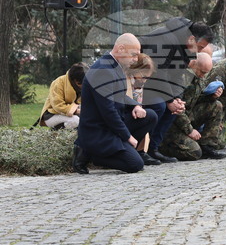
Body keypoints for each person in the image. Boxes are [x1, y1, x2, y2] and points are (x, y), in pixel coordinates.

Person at [72, 33, 158, 175]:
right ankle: (92, 154)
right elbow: (108, 111)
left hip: (109, 125)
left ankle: (120, 150)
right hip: (98, 131)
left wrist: (135, 105)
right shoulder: (103, 70)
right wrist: (127, 137)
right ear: (120, 49)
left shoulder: (114, 65)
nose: (135, 59)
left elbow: (119, 96)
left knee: (150, 116)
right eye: (133, 55)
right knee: (135, 164)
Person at [139, 17, 214, 164]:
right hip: (141, 82)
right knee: (159, 106)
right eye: (199, 47)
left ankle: (153, 148)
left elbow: (178, 76)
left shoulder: (187, 47)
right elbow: (158, 73)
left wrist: (177, 99)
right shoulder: (165, 39)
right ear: (192, 39)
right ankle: (141, 150)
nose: (199, 51)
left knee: (175, 109)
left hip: (156, 84)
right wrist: (169, 100)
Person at [160, 53, 226, 161]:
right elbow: (177, 108)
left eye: (206, 73)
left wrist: (212, 96)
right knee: (194, 152)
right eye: (202, 72)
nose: (203, 76)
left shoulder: (198, 77)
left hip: (188, 116)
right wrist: (190, 130)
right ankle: (161, 147)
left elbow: (196, 100)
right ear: (194, 64)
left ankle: (207, 145)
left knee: (216, 105)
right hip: (172, 123)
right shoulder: (181, 78)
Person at [127, 53, 161, 165]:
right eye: (143, 76)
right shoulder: (126, 79)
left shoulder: (139, 83)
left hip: (135, 111)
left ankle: (140, 150)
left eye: (147, 78)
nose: (144, 80)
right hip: (124, 114)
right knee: (150, 115)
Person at [38, 63, 87, 130]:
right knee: (75, 120)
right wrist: (76, 111)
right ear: (77, 82)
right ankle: (57, 132)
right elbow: (58, 105)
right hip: (51, 114)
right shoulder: (58, 83)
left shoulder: (82, 83)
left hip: (70, 113)